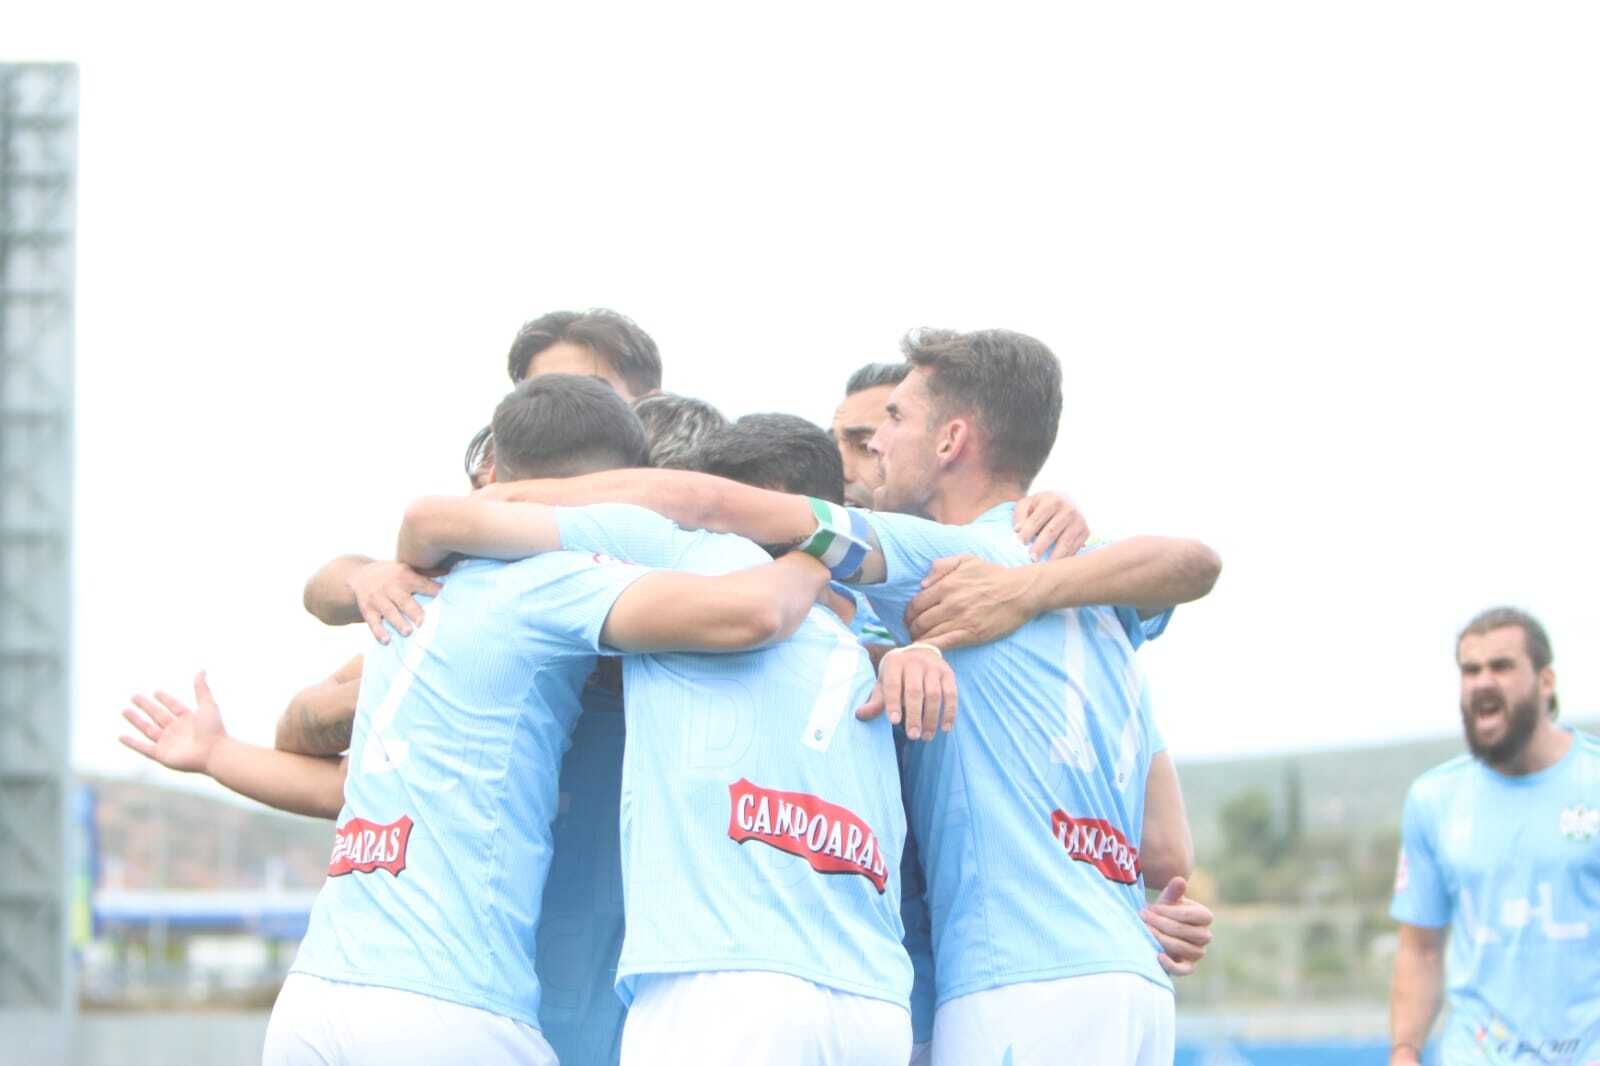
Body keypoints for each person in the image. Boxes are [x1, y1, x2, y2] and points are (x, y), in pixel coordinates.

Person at [475, 326, 1221, 1065]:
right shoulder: (1098, 579)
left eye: (891, 422)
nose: (870, 449)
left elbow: (709, 504)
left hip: (1010, 982)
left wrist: (505, 500)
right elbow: (1192, 566)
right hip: (1124, 973)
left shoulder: (930, 555)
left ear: (951, 440)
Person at [122, 375, 841, 1066]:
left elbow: (343, 786)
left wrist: (216, 753)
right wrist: (818, 562)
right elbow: (746, 614)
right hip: (449, 1002)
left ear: (495, 466)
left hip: (316, 996)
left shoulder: (410, 599)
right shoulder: (559, 583)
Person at [398, 393, 958, 1066]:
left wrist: (401, 563)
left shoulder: (670, 550)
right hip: (873, 1006)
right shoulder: (877, 632)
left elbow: (438, 522)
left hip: (722, 988)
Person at [1388, 607, 1600, 1066]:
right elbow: (1421, 949)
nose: (1483, 681)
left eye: (1501, 666)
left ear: (1546, 682)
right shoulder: (1433, 800)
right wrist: (1405, 1051)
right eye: (1471, 670)